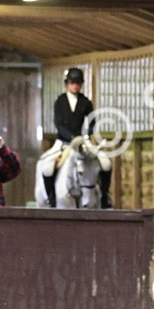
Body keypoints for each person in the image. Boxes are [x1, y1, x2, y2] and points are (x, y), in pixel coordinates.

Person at [39, 67, 113, 208]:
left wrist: (85, 135)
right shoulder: (60, 102)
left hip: (82, 142)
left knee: (106, 163)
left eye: (78, 82)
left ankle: (104, 196)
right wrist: (72, 137)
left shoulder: (85, 102)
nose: (75, 85)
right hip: (63, 142)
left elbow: (92, 122)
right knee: (47, 167)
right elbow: (58, 124)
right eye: (72, 82)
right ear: (67, 83)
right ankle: (51, 197)